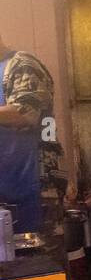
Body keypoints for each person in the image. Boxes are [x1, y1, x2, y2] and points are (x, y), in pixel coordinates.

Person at [0, 38, 53, 233]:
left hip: (31, 186)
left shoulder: (23, 65)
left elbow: (24, 113)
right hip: (5, 188)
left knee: (35, 258)